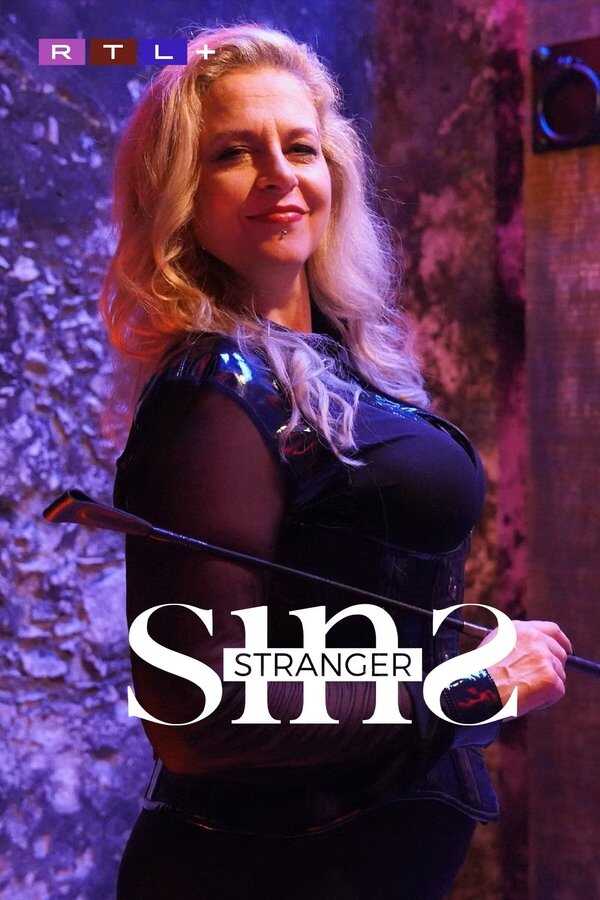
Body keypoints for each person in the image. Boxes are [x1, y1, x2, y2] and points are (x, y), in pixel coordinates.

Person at [100, 23, 572, 900]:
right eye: (233, 153)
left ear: (334, 174)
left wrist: (428, 641)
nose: (279, 174)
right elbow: (197, 704)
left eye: (300, 147)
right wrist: (467, 686)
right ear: (179, 195)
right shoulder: (211, 389)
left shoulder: (336, 366)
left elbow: (325, 610)